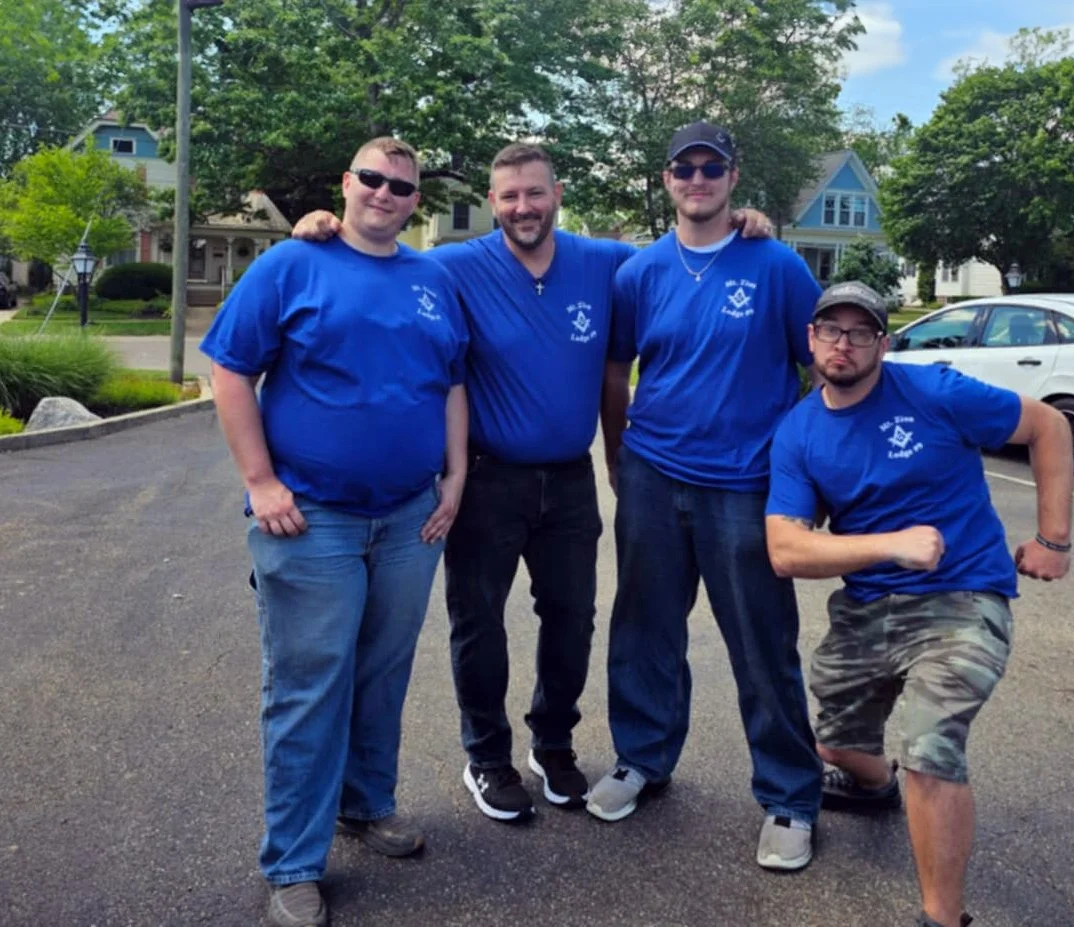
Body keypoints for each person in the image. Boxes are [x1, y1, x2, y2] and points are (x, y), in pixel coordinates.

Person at [291, 144, 774, 823]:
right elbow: (378, 258)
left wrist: (746, 223)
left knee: (574, 618)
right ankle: (487, 755)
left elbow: (687, 249)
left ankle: (554, 743)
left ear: (557, 193)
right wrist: (324, 228)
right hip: (488, 479)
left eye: (535, 193)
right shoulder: (451, 267)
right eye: (509, 195)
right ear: (492, 201)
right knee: (479, 622)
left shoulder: (607, 263)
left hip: (570, 483)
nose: (523, 207)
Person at [202, 137, 469, 927]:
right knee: (309, 686)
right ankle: (292, 859)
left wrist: (455, 475)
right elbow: (228, 369)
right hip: (310, 515)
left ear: (417, 201)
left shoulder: (433, 279)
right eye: (374, 180)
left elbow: (449, 379)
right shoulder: (292, 264)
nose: (386, 194)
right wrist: (259, 480)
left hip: (409, 517)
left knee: (382, 671)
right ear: (346, 185)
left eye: (402, 187)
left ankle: (365, 803)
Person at [764, 281, 1074, 927]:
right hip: (870, 607)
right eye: (830, 330)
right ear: (810, 339)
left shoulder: (934, 391)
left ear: (883, 340)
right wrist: (891, 545)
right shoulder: (797, 431)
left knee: (931, 745)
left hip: (962, 598)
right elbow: (787, 550)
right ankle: (874, 786)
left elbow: (1047, 424)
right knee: (834, 742)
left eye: (859, 331)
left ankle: (943, 918)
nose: (842, 343)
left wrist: (1053, 539)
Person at [593, 121, 824, 872]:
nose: (698, 180)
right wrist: (619, 456)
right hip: (653, 476)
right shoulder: (639, 273)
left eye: (711, 167)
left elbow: (820, 370)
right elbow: (617, 370)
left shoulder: (777, 265)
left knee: (761, 642)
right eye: (684, 168)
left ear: (732, 175)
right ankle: (641, 758)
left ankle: (790, 794)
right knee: (645, 627)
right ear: (666, 179)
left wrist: (807, 473)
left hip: (746, 483)